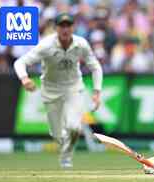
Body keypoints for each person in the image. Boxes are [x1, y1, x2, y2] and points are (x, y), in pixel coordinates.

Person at [14, 13, 103, 168]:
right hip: (50, 91)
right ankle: (64, 148)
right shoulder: (46, 45)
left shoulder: (81, 44)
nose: (65, 29)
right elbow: (20, 62)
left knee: (74, 127)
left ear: (73, 27)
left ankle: (66, 157)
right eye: (62, 26)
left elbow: (95, 66)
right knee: (57, 134)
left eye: (68, 25)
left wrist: (96, 92)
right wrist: (24, 79)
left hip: (73, 89)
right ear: (56, 28)